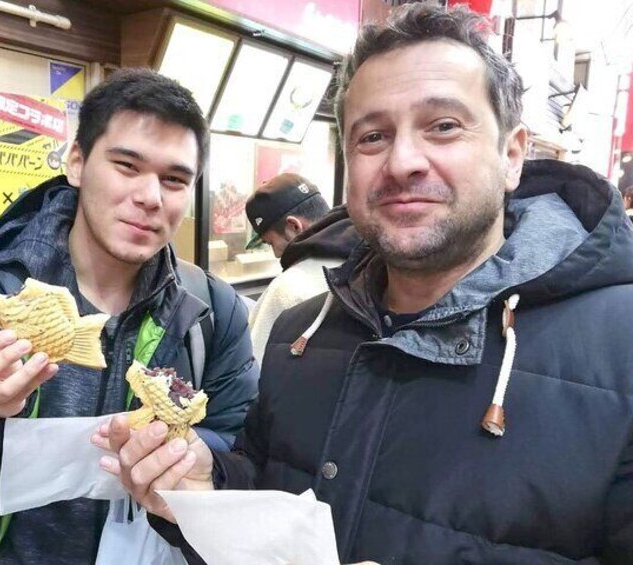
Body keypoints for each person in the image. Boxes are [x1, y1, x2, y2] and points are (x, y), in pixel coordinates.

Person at [98, 5, 633, 564]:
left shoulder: (619, 348)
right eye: (373, 136)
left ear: (512, 155)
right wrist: (206, 486)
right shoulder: (300, 332)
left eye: (443, 126)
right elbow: (267, 501)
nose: (403, 161)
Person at [0, 68, 259, 564]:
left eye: (174, 179)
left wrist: (192, 456)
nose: (151, 196)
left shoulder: (210, 315)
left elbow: (243, 457)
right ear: (78, 162)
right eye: (126, 165)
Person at [243, 173, 353, 363]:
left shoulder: (288, 289)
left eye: (270, 243)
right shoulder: (371, 259)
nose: (276, 255)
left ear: (294, 226)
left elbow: (252, 370)